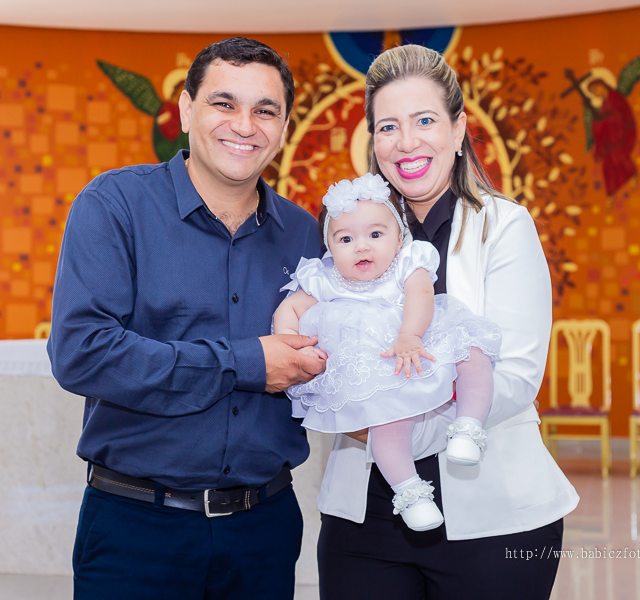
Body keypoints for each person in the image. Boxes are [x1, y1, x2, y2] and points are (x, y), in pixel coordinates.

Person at [47, 38, 325, 600]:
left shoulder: (307, 235)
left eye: (265, 110)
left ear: (283, 127)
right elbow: (82, 352)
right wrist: (248, 362)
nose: (244, 125)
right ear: (185, 110)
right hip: (135, 528)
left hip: (265, 529)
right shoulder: (115, 205)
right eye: (224, 103)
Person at [316, 45, 580, 600]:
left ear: (458, 130)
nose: (406, 142)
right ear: (373, 141)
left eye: (425, 121)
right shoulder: (350, 234)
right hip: (364, 520)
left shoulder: (503, 226)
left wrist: (383, 425)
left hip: (494, 518)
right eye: (388, 126)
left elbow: (516, 377)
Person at [273, 173, 501, 532]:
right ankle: (409, 492)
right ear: (329, 247)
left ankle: (468, 427)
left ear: (399, 239)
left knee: (472, 351)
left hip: (418, 343)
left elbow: (421, 295)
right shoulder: (325, 279)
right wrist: (289, 341)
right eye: (346, 239)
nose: (361, 247)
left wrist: (410, 334)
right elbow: (290, 308)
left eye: (375, 235)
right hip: (382, 368)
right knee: (387, 420)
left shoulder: (407, 263)